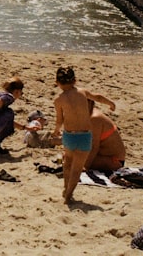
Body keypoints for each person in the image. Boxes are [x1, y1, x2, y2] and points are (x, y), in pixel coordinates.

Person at [51, 66, 116, 204]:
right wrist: (110, 103)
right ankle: (69, 194)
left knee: (67, 163)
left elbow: (59, 120)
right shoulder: (82, 92)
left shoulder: (59, 100)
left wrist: (56, 131)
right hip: (84, 136)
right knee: (77, 168)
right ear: (75, 80)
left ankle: (65, 188)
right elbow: (97, 97)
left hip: (69, 136)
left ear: (57, 82)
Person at [85, 100, 126, 173]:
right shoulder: (86, 116)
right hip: (100, 155)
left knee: (74, 161)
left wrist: (84, 167)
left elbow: (93, 147)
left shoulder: (94, 119)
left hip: (113, 161)